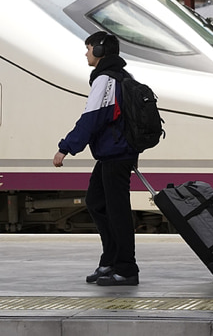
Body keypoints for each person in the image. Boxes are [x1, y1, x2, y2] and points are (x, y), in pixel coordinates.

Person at [53, 32, 140, 286]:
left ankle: (126, 269)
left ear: (101, 51)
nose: (86, 53)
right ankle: (110, 260)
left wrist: (66, 148)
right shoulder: (119, 77)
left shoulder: (106, 79)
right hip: (111, 154)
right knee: (96, 202)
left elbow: (92, 118)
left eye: (89, 48)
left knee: (117, 211)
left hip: (116, 155)